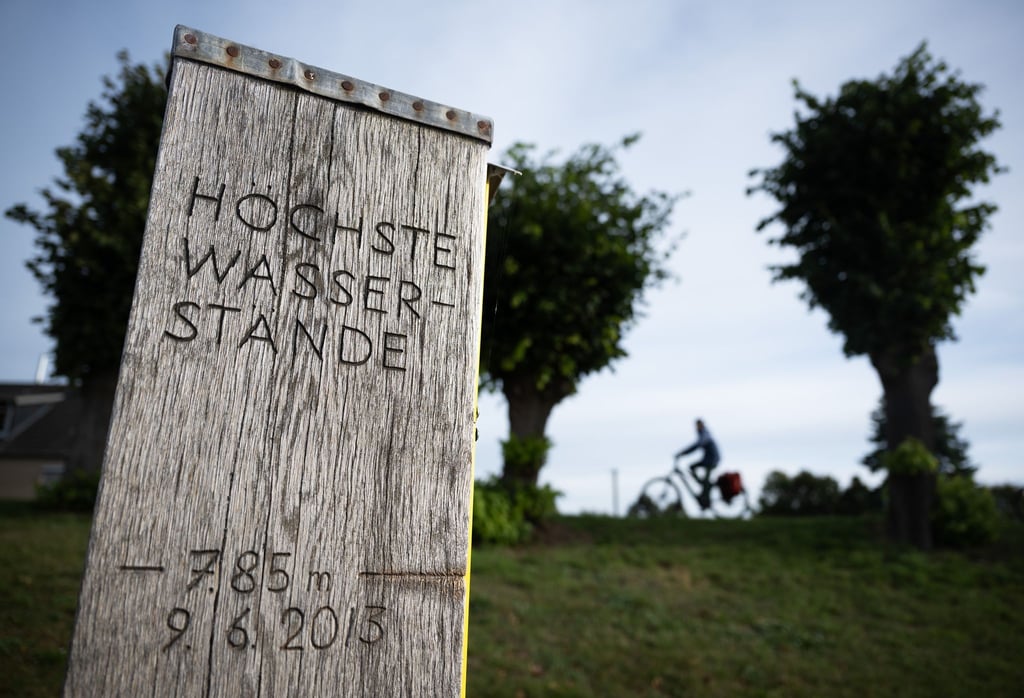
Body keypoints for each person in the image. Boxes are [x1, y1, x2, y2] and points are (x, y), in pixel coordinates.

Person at [675, 418, 720, 485]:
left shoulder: (704, 434)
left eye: (698, 425)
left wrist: (683, 453)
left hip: (711, 460)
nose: (697, 427)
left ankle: (704, 486)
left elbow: (697, 445)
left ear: (702, 425)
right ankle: (703, 485)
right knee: (693, 468)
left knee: (693, 467)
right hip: (710, 459)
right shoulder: (704, 433)